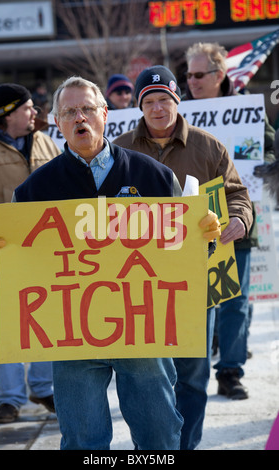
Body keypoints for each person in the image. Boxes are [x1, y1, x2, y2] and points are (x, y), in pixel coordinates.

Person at [0, 76, 221, 450]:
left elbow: (184, 261)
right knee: (81, 442)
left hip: (144, 336)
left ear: (105, 114)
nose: (80, 118)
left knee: (160, 436)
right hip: (72, 342)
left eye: (88, 109)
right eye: (70, 111)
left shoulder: (154, 177)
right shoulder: (33, 192)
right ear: (57, 122)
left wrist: (201, 240)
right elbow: (23, 276)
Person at [113, 65, 253, 450]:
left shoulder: (209, 147)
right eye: (149, 102)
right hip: (137, 281)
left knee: (192, 372)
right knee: (145, 375)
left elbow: (237, 195)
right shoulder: (119, 148)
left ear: (177, 101)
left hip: (198, 276)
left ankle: (184, 447)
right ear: (140, 107)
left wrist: (240, 217)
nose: (158, 109)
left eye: (165, 100)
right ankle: (154, 449)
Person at [185, 42, 276, 400]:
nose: (191, 81)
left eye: (198, 74)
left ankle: (230, 372)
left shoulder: (246, 109)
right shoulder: (179, 111)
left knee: (235, 300)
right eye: (188, 74)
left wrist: (261, 163)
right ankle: (193, 372)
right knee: (195, 299)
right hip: (192, 225)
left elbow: (268, 147)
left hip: (236, 220)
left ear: (219, 75)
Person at [0, 83, 61, 423]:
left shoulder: (46, 142)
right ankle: (9, 399)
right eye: (28, 108)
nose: (35, 114)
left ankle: (43, 388)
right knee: (7, 328)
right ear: (9, 113)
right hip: (1, 257)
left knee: (47, 322)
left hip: (46, 252)